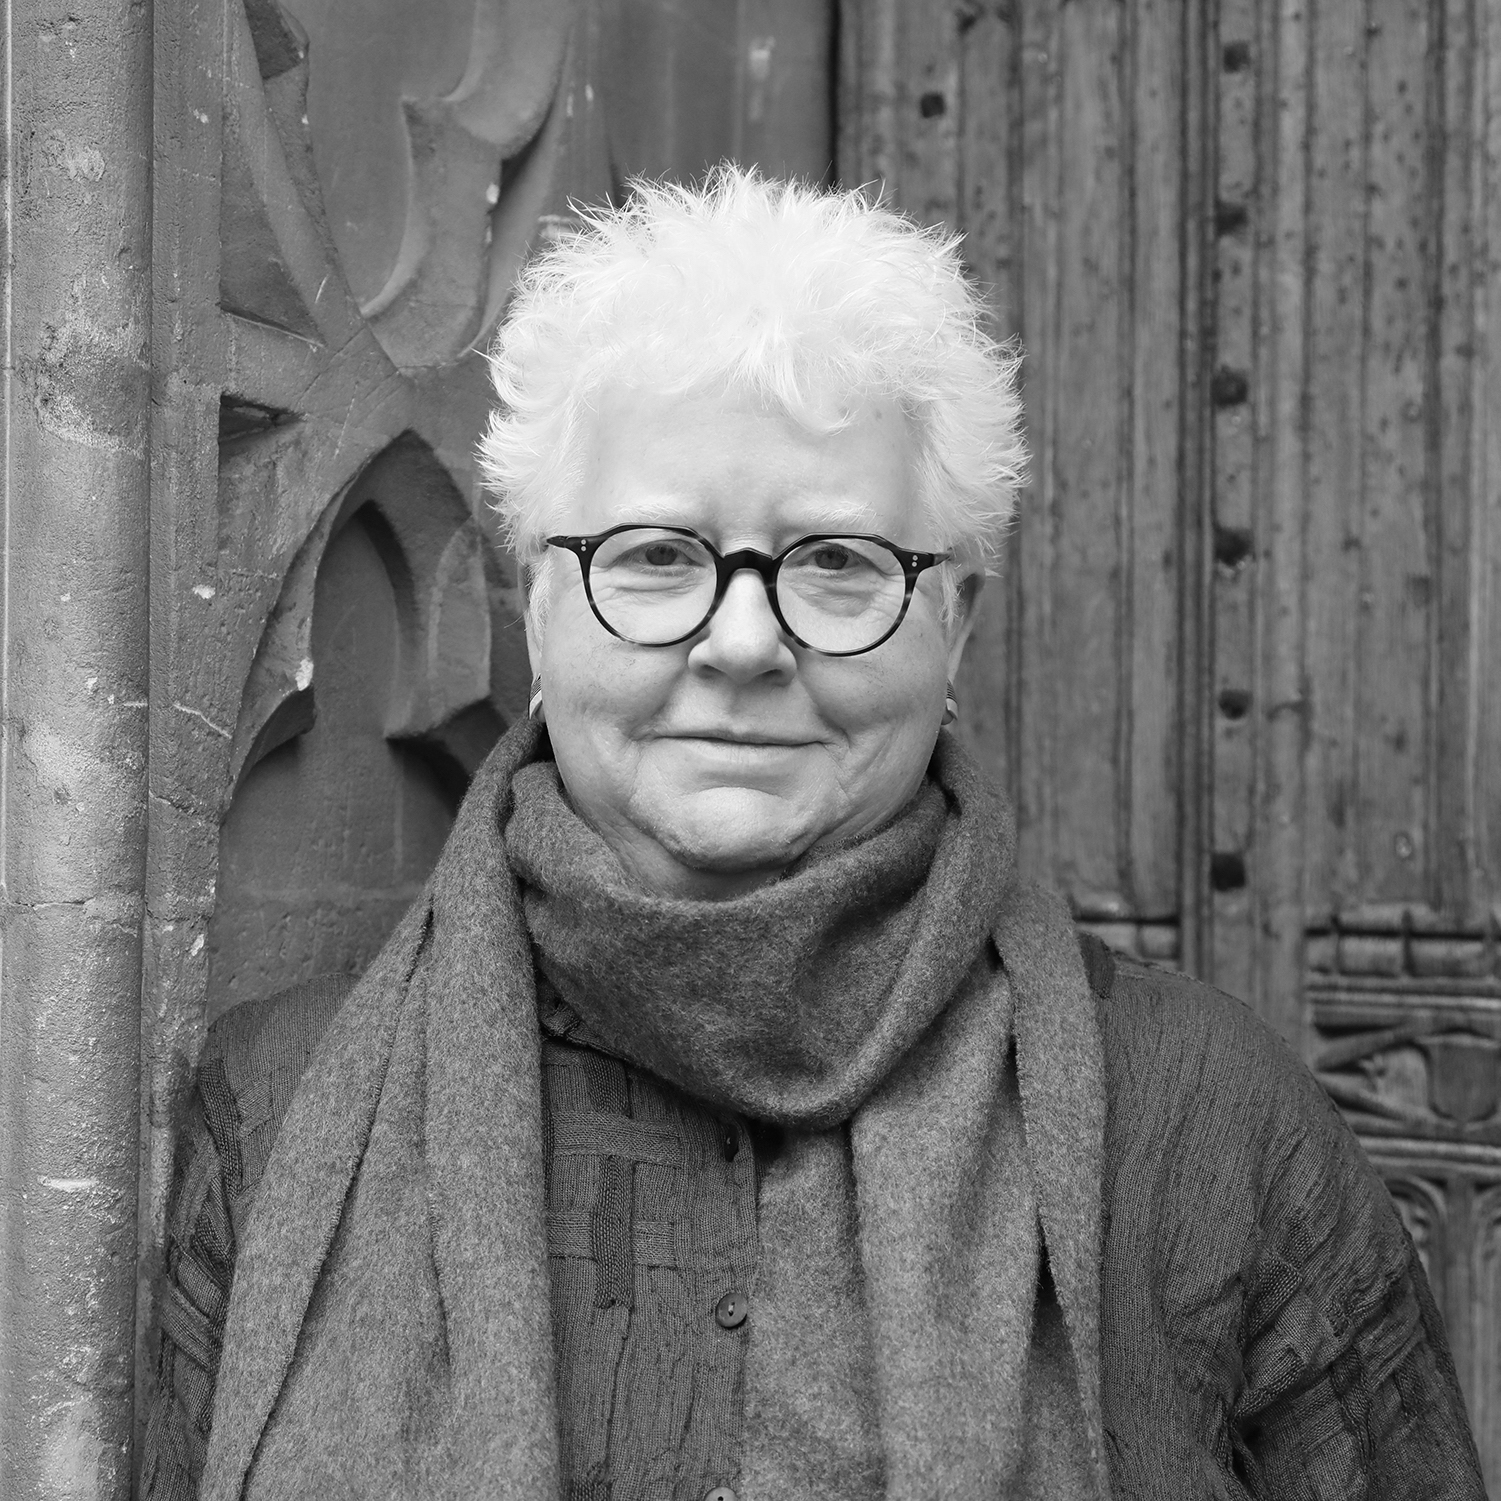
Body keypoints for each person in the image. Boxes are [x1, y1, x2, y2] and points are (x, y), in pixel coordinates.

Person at [143, 168, 1485, 1501]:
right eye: (656, 554)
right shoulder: (275, 1108)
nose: (741, 641)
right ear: (538, 609)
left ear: (950, 628)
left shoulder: (1206, 1124)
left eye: (836, 563)